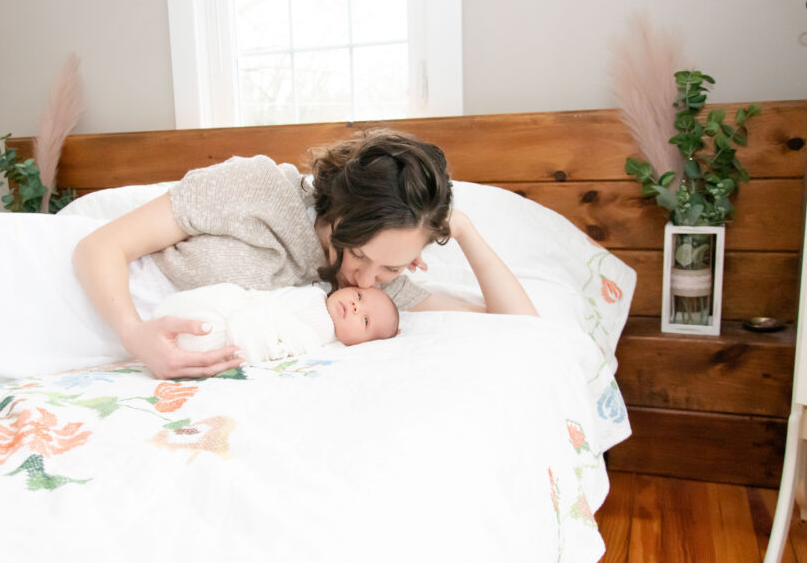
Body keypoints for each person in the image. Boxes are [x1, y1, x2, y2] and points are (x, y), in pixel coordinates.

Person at [73, 129, 538, 381]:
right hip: (91, 297)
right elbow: (101, 246)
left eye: (392, 266)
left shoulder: (373, 294)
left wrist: (462, 228)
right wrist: (134, 336)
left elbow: (522, 328)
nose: (365, 278)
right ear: (336, 209)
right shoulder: (255, 187)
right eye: (358, 252)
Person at [154, 283, 399, 365]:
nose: (356, 306)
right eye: (358, 295)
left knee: (205, 337)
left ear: (361, 344)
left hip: (242, 330)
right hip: (236, 303)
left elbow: (279, 345)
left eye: (365, 320)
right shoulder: (314, 293)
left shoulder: (322, 343)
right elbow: (270, 300)